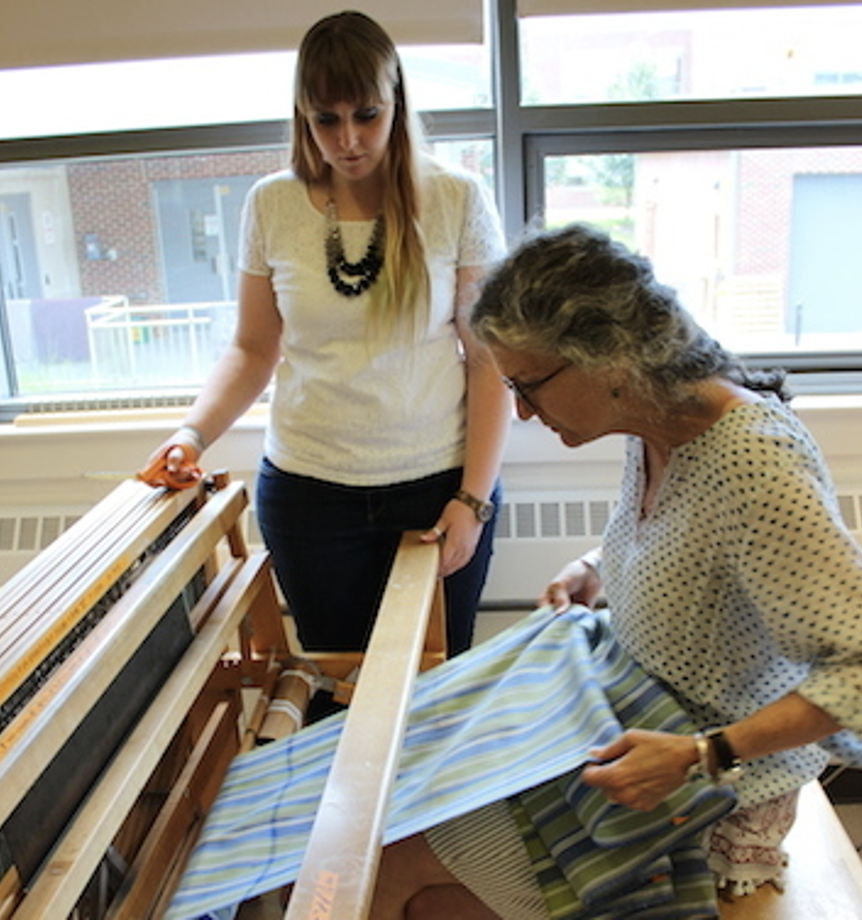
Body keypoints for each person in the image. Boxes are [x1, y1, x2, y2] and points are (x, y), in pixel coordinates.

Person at [369, 222, 862, 918]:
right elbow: (700, 540)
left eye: (529, 386)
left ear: (609, 360)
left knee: (390, 870)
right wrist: (595, 567)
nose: (522, 412)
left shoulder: (755, 462)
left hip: (704, 778)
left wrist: (704, 752)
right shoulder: (657, 420)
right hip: (627, 717)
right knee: (398, 826)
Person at [140, 11, 511, 656]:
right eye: (326, 120)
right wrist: (191, 434)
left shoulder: (457, 198)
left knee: (439, 682)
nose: (349, 140)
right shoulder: (272, 204)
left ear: (397, 102)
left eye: (367, 114)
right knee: (333, 685)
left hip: (436, 487)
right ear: (302, 117)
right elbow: (253, 348)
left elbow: (488, 360)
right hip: (309, 497)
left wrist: (473, 500)